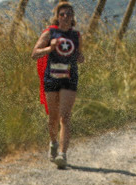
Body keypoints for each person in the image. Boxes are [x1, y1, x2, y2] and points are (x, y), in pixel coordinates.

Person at [32, 1, 84, 169]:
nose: (65, 17)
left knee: (65, 117)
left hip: (69, 78)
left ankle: (62, 155)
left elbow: (79, 55)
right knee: (53, 117)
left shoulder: (76, 35)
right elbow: (34, 54)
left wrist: (80, 58)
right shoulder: (50, 33)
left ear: (73, 17)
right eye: (62, 14)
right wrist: (50, 48)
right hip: (51, 78)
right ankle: (53, 143)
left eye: (69, 14)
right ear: (57, 16)